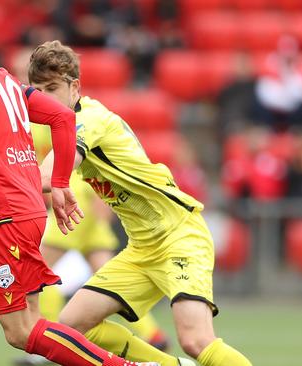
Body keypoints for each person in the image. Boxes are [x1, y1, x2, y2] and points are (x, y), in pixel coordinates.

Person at [0, 7, 155, 366]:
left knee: (21, 330)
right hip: (0, 214)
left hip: (7, 219)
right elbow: (61, 116)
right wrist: (61, 182)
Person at [29, 41, 252, 366]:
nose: (44, 99)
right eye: (37, 91)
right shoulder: (67, 123)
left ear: (74, 87)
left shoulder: (88, 121)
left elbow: (50, 175)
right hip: (143, 247)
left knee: (195, 340)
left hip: (179, 236)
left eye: (52, 88)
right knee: (70, 328)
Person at [14, 123, 170, 366]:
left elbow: (44, 161)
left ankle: (52, 341)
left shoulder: (36, 122)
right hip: (88, 197)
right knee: (108, 276)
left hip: (72, 203)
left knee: (37, 270)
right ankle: (153, 335)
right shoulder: (66, 119)